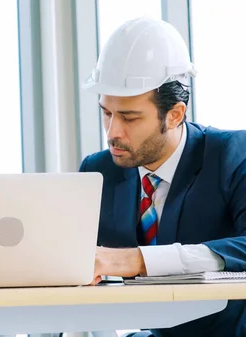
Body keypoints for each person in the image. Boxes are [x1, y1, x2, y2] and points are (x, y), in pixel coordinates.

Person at [80, 17, 246, 336]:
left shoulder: (232, 155)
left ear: (174, 115)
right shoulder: (97, 172)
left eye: (129, 118)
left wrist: (139, 260)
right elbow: (70, 265)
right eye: (106, 113)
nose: (113, 132)